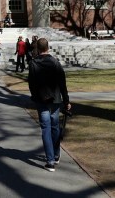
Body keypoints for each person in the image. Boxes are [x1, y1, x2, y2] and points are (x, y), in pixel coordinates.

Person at [27, 38, 70, 172]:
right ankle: (55, 154)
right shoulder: (55, 62)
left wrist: (35, 96)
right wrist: (66, 100)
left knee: (46, 128)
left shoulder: (33, 63)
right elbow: (63, 82)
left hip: (42, 99)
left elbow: (31, 84)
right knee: (54, 126)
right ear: (48, 47)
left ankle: (50, 160)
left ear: (38, 49)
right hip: (55, 99)